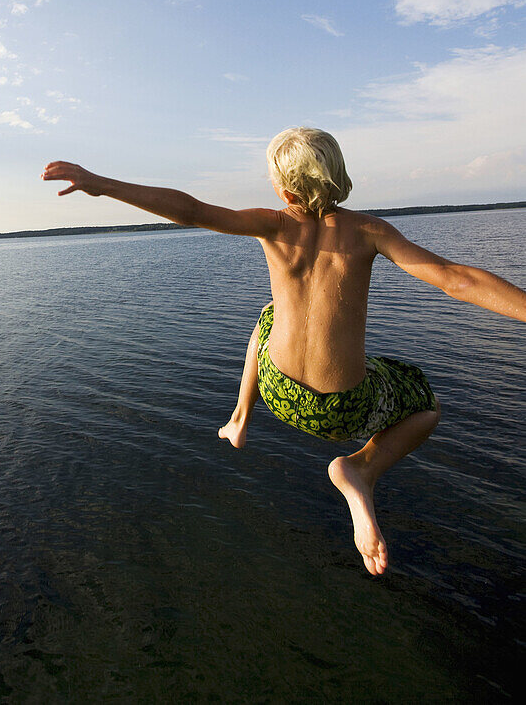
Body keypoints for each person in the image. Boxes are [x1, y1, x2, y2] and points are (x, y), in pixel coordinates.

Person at [42, 128, 526, 576]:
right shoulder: (370, 231)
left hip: (279, 392)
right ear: (338, 175)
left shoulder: (273, 225)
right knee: (425, 401)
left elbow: (189, 209)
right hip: (343, 408)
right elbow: (455, 279)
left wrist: (100, 183)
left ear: (285, 189)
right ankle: (360, 468)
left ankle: (239, 418)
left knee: (271, 312)